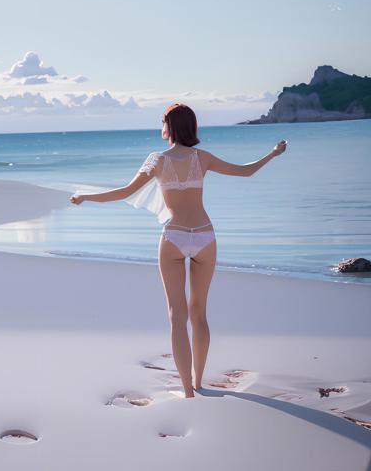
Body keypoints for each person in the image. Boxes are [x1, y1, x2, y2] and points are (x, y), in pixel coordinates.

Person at [70, 102, 287, 399]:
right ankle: (199, 382)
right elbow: (245, 172)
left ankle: (187, 391)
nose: (160, 126)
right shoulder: (202, 158)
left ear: (171, 126)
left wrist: (86, 197)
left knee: (177, 316)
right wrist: (273, 154)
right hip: (205, 236)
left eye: (162, 121)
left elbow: (124, 192)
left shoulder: (157, 160)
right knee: (200, 313)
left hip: (173, 237)